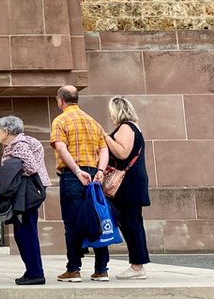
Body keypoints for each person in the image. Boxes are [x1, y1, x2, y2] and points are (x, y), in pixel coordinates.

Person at [50, 85, 110, 282]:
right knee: (98, 218)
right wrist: (100, 171)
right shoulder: (93, 121)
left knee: (72, 223)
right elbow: (104, 149)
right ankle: (101, 269)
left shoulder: (60, 120)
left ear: (61, 101)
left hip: (73, 175)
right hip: (95, 175)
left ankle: (73, 268)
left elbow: (60, 147)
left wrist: (76, 170)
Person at [0, 115, 50, 286]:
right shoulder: (25, 141)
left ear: (7, 130)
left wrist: (5, 177)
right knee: (25, 232)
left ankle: (35, 273)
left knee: (25, 233)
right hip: (31, 191)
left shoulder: (19, 144)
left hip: (26, 193)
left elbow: (30, 166)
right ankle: (32, 271)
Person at [104, 96, 150, 280]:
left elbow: (122, 153)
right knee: (134, 223)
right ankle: (138, 264)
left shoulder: (126, 127)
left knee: (130, 223)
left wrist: (106, 137)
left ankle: (137, 267)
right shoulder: (134, 127)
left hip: (127, 183)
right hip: (133, 181)